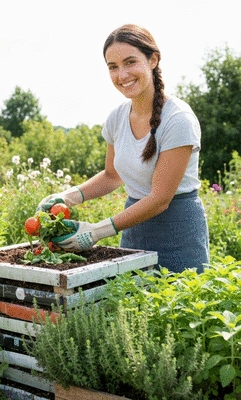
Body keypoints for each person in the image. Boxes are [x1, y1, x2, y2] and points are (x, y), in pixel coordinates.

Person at [37, 24, 209, 274]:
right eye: (113, 67)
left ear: (153, 60)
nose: (122, 74)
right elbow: (112, 175)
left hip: (177, 230)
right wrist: (69, 196)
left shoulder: (178, 119)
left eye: (130, 62)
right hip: (133, 226)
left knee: (177, 308)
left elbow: (160, 199)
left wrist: (97, 231)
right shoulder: (117, 118)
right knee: (132, 306)